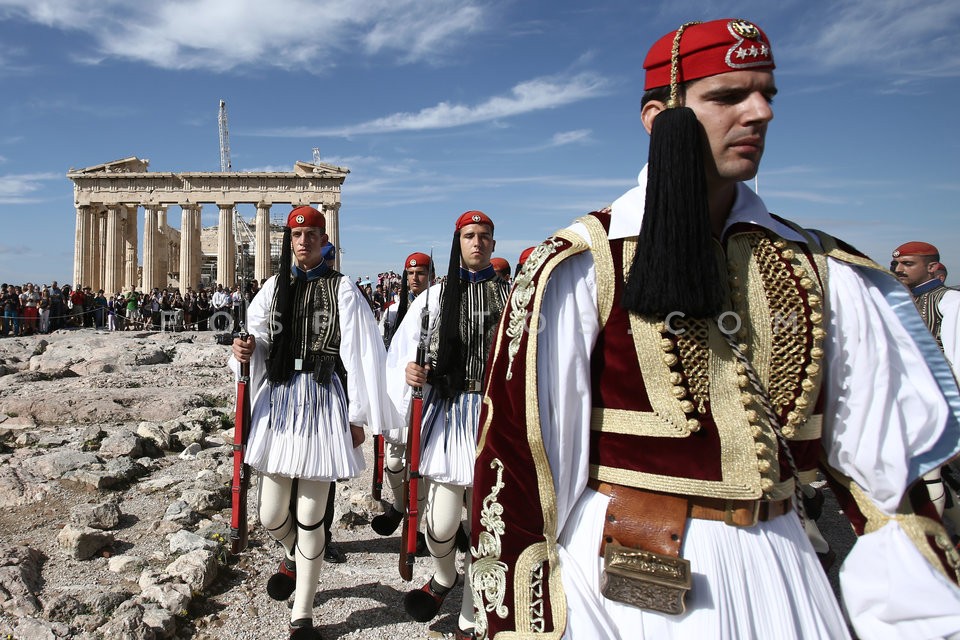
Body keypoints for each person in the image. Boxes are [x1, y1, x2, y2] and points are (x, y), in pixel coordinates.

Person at [471, 19, 960, 640]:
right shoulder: (583, 265)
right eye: (728, 96)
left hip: (782, 570)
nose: (759, 113)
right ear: (658, 117)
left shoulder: (824, 269)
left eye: (766, 95)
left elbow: (886, 485)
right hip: (621, 585)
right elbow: (521, 472)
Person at [230, 205, 394, 638]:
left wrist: (358, 416)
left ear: (324, 240)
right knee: (269, 514)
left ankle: (302, 615)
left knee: (310, 515)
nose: (303, 242)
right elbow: (261, 336)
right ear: (289, 240)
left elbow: (359, 356)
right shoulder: (272, 286)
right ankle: (294, 556)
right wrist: (246, 352)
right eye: (296, 235)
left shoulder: (343, 289)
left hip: (322, 401)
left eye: (311, 235)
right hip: (280, 401)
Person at [387, 211, 510, 640]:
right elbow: (405, 349)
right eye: (469, 236)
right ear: (458, 241)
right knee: (440, 527)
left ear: (494, 244)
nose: (477, 243)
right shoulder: (433, 298)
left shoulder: (511, 296)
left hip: (492, 417)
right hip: (449, 412)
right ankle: (445, 577)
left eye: (484, 237)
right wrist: (409, 374)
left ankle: (470, 616)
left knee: (483, 525)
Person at [892, 241, 960, 527]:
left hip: (942, 398)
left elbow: (956, 355)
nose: (899, 269)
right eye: (897, 263)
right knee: (928, 473)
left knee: (930, 472)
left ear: (932, 267)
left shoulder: (950, 301)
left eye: (908, 264)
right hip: (912, 398)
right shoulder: (901, 302)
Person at [371, 251, 434, 538]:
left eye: (420, 273)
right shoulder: (393, 310)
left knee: (423, 469)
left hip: (429, 395)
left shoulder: (438, 306)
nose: (414, 278)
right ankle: (399, 505)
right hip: (398, 393)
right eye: (410, 273)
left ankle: (417, 529)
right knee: (395, 464)